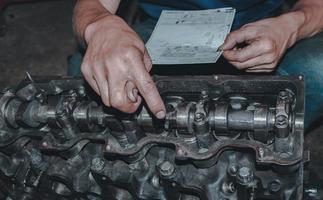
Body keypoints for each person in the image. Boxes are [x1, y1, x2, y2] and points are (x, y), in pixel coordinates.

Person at [73, 0, 323, 128]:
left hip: (262, 23)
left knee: (317, 68)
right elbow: (91, 6)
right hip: (162, 24)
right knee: (85, 75)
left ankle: (277, 153)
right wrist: (100, 26)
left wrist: (291, 26)